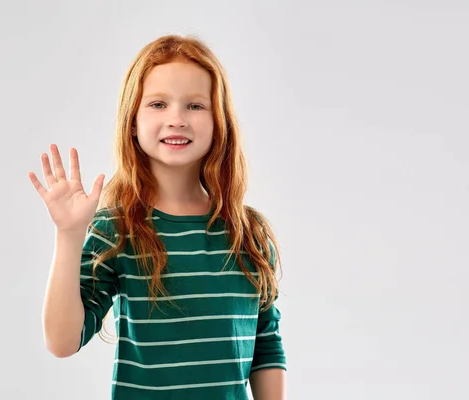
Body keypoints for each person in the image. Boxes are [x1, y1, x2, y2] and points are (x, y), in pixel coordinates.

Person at [28, 34, 287, 400]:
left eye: (195, 106)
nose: (177, 119)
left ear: (219, 122)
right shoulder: (117, 230)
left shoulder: (249, 233)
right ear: (132, 121)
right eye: (158, 104)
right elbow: (62, 341)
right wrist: (69, 235)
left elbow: (266, 347)